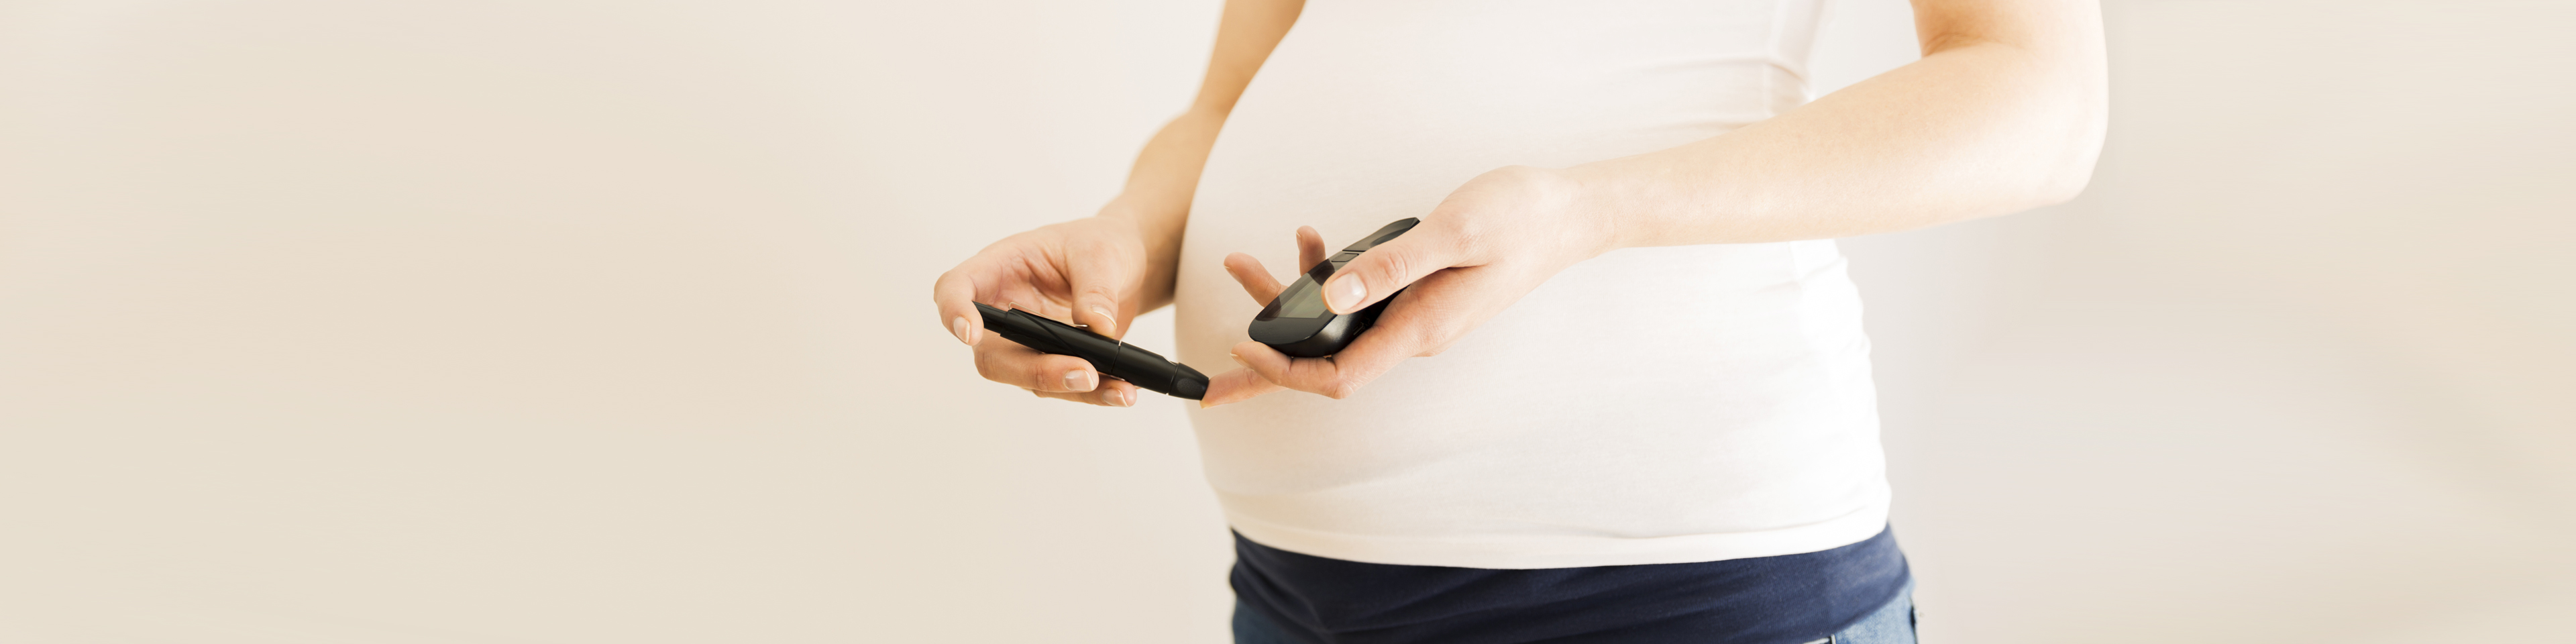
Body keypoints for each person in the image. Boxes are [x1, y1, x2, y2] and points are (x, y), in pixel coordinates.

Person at [931, 0, 2104, 640]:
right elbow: (1228, 102)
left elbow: (2036, 102)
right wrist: (1125, 237)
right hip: (1300, 593)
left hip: (1672, 591)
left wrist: (1590, 210)